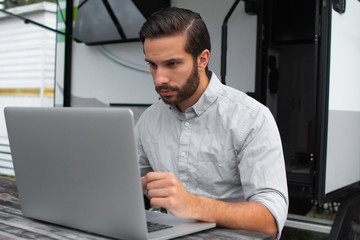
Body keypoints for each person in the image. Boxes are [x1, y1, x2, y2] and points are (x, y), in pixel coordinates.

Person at [135, 7, 288, 238]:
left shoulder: (251, 118)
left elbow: (271, 219)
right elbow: (128, 183)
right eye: (152, 65)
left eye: (172, 64)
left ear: (202, 59)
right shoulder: (149, 120)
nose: (159, 79)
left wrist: (195, 205)